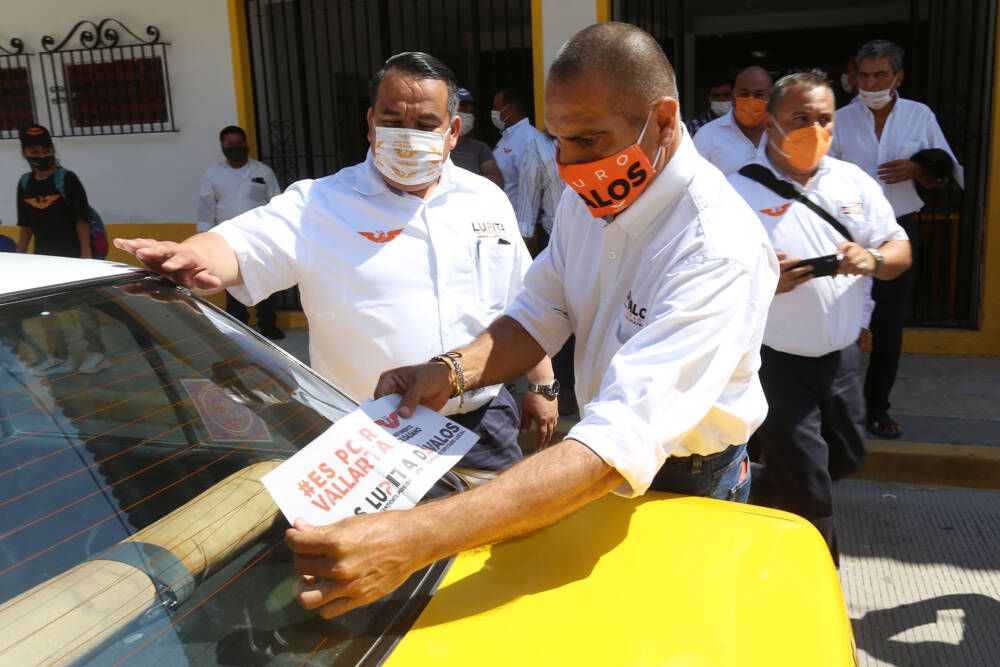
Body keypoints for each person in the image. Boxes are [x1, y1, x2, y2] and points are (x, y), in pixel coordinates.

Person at [278, 23, 778, 621]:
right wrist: (446, 374)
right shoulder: (592, 192)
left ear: (664, 122)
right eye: (559, 139)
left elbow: (617, 442)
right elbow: (540, 311)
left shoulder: (713, 248)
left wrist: (411, 538)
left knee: (672, 634)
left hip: (688, 481)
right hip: (597, 467)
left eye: (590, 140)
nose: (569, 165)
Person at [116, 51, 558, 488]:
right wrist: (192, 254)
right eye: (392, 121)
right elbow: (238, 243)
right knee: (383, 556)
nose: (407, 136)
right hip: (366, 436)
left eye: (425, 125)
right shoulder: (318, 204)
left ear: (453, 131)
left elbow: (522, 304)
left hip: (482, 423)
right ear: (370, 124)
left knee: (495, 551)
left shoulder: (485, 199)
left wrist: (543, 385)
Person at [728, 70, 911, 560]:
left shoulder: (853, 182)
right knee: (812, 486)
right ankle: (824, 593)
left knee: (845, 457)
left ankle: (761, 488)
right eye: (801, 118)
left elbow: (899, 250)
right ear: (771, 125)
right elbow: (710, 278)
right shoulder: (735, 193)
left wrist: (871, 260)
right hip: (775, 363)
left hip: (842, 360)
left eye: (825, 119)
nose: (816, 129)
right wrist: (764, 280)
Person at [832, 39, 963, 439]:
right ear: (855, 77)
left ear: (898, 77)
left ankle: (877, 409)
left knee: (889, 328)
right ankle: (838, 411)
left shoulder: (918, 116)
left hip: (899, 231)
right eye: (865, 75)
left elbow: (944, 173)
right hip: (847, 234)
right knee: (842, 324)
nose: (871, 83)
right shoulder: (839, 118)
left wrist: (915, 168)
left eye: (880, 75)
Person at [15, 124, 107, 376]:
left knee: (82, 308)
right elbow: (25, 226)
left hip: (74, 258)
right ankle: (58, 356)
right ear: (24, 153)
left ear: (53, 150)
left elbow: (81, 220)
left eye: (45, 149)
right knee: (48, 312)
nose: (40, 155)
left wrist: (86, 257)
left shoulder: (67, 179)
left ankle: (97, 353)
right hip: (43, 261)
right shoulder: (24, 184)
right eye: (33, 149)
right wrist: (18, 257)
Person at [197, 125, 284, 339]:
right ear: (222, 147)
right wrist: (204, 237)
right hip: (226, 239)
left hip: (260, 238)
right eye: (230, 144)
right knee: (233, 284)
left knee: (264, 280)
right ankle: (240, 329)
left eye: (238, 143)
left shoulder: (262, 171)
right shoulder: (213, 174)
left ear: (246, 144)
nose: (235, 147)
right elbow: (206, 206)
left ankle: (268, 325)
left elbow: (277, 202)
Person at [491, 84, 549, 247]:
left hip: (519, 229)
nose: (494, 112)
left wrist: (528, 234)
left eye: (497, 107)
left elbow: (534, 188)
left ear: (510, 108)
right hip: (501, 224)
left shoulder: (530, 139)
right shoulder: (507, 137)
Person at [693, 66, 772, 175]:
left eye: (759, 95)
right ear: (733, 95)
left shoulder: (782, 135)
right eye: (744, 94)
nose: (751, 100)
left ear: (771, 96)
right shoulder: (706, 135)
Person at [450, 87, 505, 189]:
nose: (468, 114)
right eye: (463, 108)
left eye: (471, 111)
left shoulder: (480, 148)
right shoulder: (434, 144)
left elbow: (497, 180)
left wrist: (461, 183)